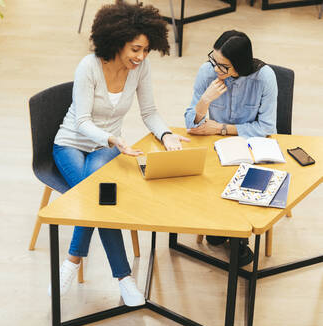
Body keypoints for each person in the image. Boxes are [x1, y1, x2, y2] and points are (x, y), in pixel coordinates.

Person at [51, 0, 189, 306]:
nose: (140, 57)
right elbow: (83, 122)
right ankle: (123, 278)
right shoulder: (89, 67)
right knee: (99, 196)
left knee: (96, 196)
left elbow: (149, 111)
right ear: (116, 41)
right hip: (72, 142)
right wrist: (114, 139)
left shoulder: (141, 68)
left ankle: (72, 261)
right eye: (135, 49)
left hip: (106, 148)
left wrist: (166, 134)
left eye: (145, 50)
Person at [184, 30, 278, 266]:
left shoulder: (264, 77)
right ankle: (219, 224)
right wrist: (204, 102)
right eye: (214, 60)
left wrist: (222, 128)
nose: (216, 69)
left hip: (249, 146)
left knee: (244, 178)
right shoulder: (208, 71)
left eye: (223, 66)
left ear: (240, 64)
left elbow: (265, 127)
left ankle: (238, 238)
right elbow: (189, 122)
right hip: (215, 147)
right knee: (206, 175)